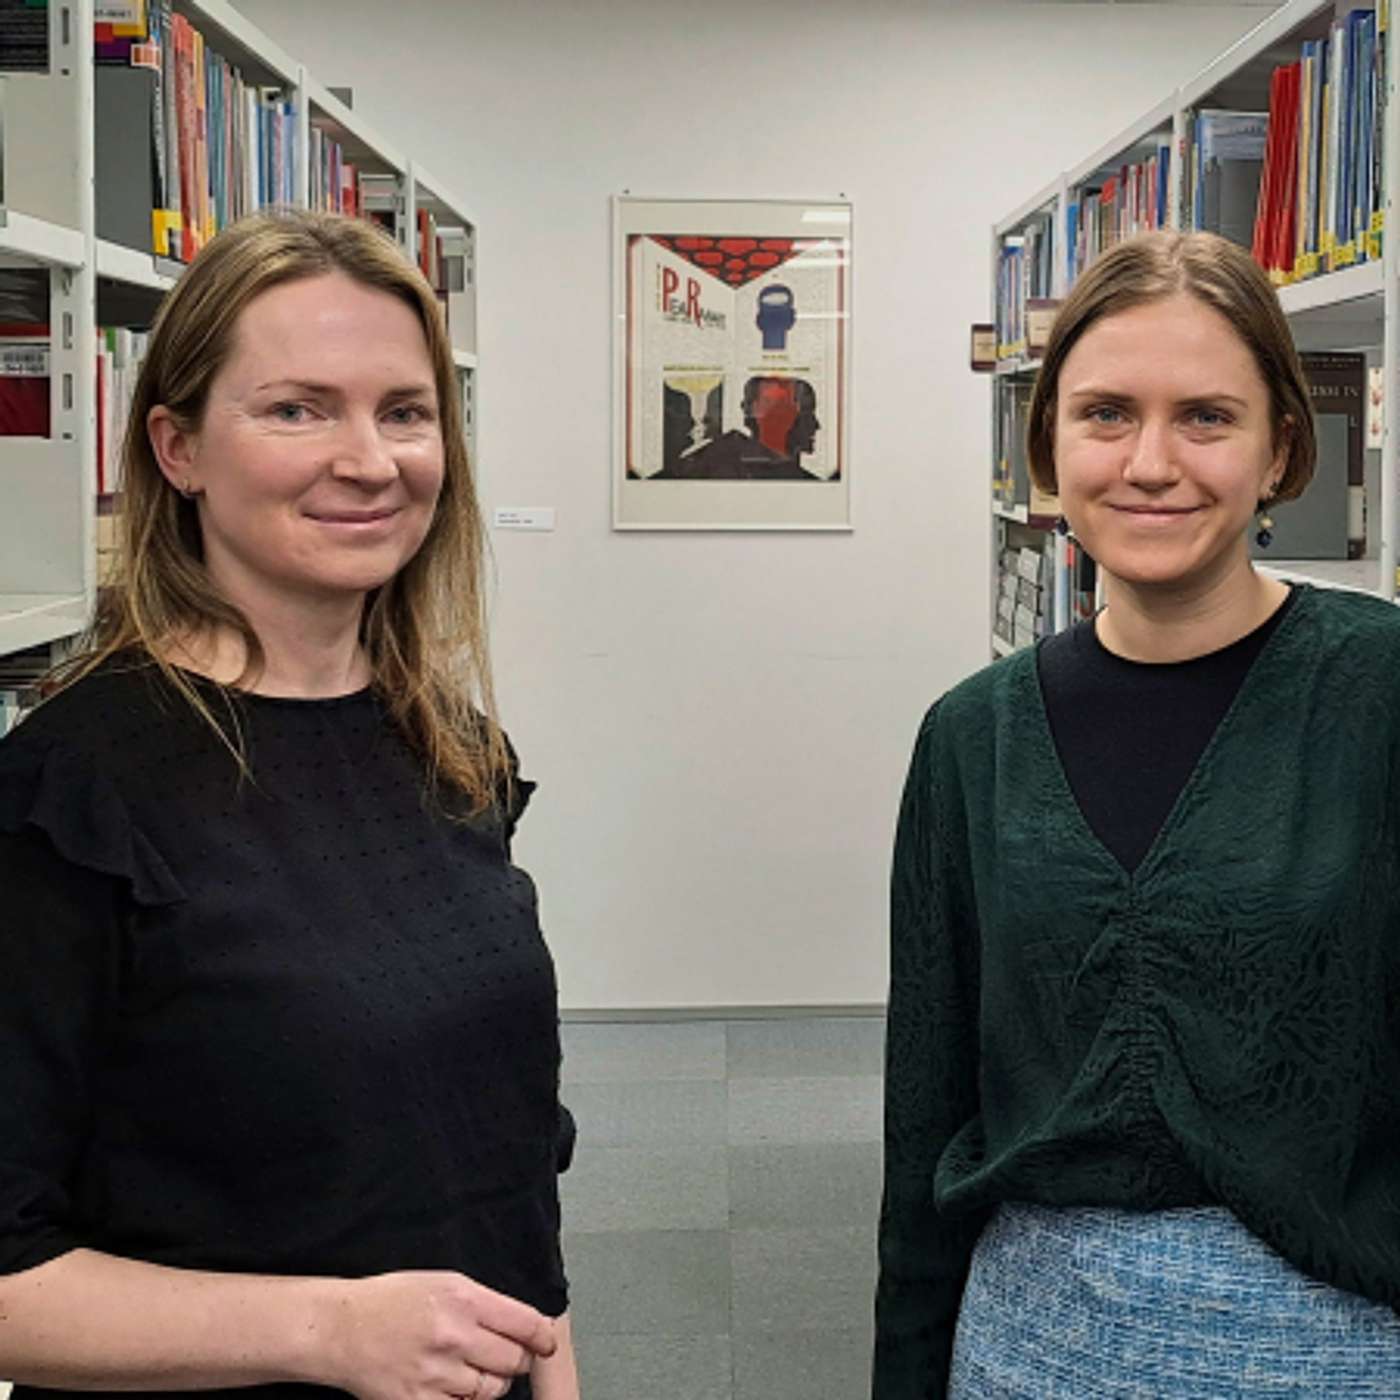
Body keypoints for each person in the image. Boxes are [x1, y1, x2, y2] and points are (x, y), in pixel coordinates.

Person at [0, 209, 577, 1400]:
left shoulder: (451, 748)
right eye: (296, 409)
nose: (368, 459)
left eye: (404, 411)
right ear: (178, 448)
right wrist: (326, 1330)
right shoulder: (69, 795)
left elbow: (511, 1178)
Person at [873, 229, 1400, 1398]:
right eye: (1104, 413)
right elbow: (925, 1114)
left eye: (1205, 417)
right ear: (1047, 445)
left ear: (1279, 447)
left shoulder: (1378, 692)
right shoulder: (970, 736)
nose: (1149, 462)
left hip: (1333, 1351)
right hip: (1025, 1348)